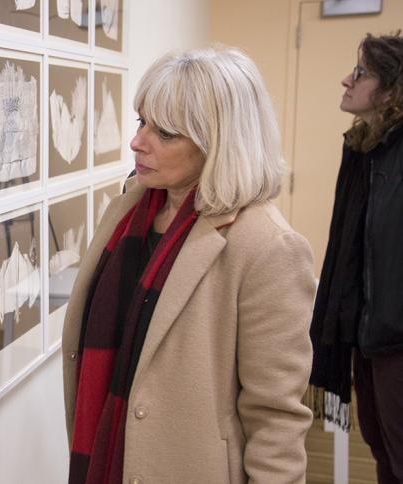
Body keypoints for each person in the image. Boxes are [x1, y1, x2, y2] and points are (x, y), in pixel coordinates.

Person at [61, 47, 316, 483]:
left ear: (217, 143)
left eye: (166, 133)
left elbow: (276, 419)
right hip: (109, 458)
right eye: (143, 122)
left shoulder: (267, 247)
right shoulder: (128, 213)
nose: (137, 141)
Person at [308, 31, 403, 484]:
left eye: (361, 73)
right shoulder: (363, 148)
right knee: (382, 450)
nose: (346, 80)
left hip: (397, 339)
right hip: (368, 334)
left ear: (391, 89)